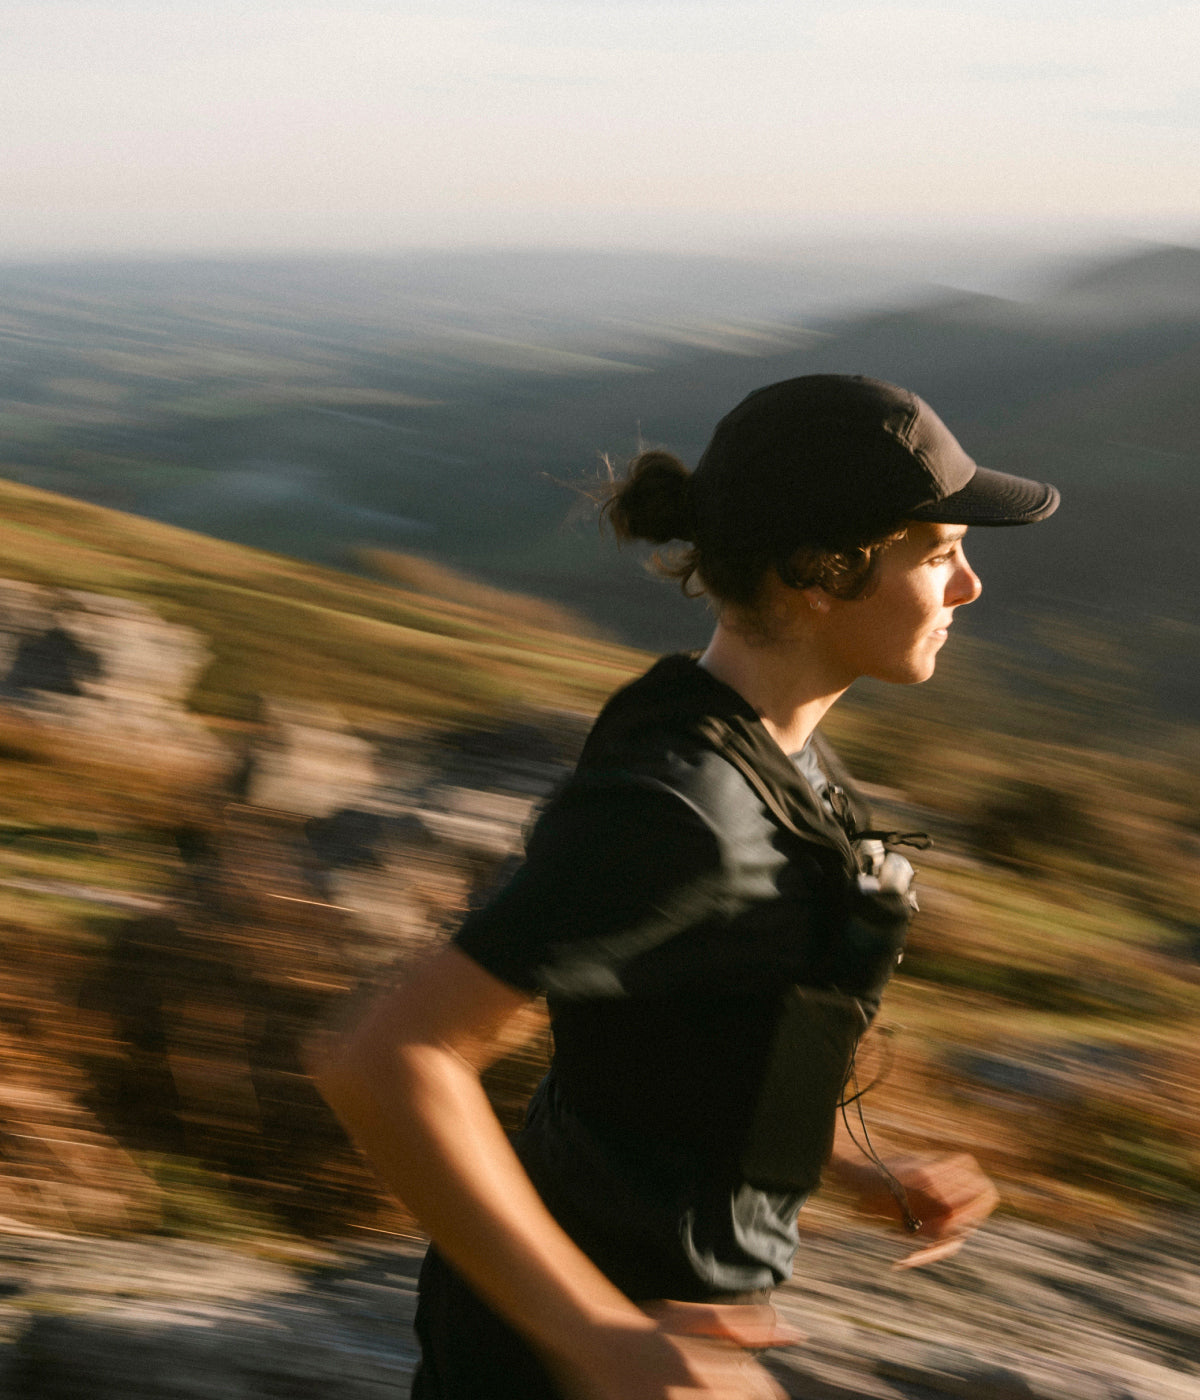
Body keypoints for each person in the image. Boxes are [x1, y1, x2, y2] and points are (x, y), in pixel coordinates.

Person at [313, 375, 1060, 1399]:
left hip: (681, 1327)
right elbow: (383, 1055)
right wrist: (596, 1334)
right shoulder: (681, 804)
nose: (969, 584)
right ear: (817, 573)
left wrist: (843, 1157)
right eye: (937, 553)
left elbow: (676, 1029)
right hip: (579, 1353)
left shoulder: (777, 757)